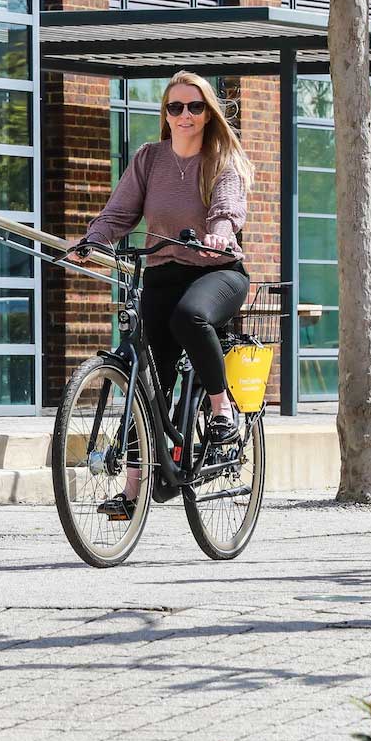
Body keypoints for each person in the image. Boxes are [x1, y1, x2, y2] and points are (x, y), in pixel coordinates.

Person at [71, 70, 253, 521]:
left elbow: (228, 206)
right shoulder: (149, 159)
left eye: (195, 107)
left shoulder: (221, 158)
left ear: (208, 114)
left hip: (218, 272)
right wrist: (93, 240)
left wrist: (219, 232)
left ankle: (220, 408)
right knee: (146, 381)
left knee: (189, 317)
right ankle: (133, 492)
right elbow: (118, 213)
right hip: (162, 273)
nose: (185, 115)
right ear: (165, 114)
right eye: (176, 107)